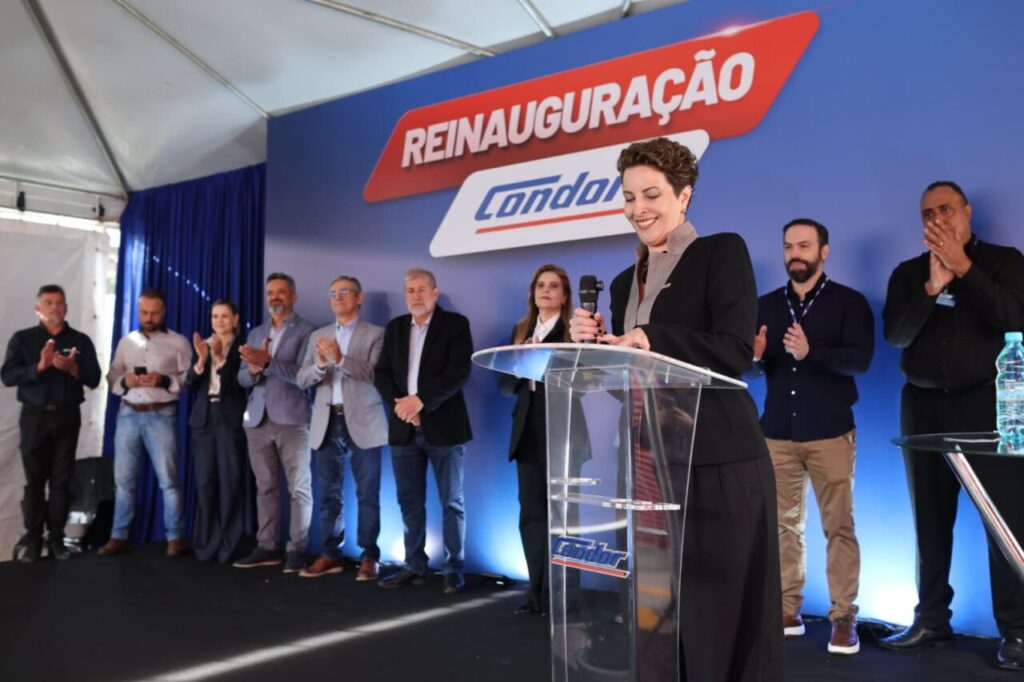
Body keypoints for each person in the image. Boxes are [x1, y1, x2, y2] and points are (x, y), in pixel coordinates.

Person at [569, 137, 783, 681]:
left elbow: (734, 349)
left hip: (717, 460)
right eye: (628, 197)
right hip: (649, 465)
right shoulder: (624, 282)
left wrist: (648, 337)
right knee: (659, 614)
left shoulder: (720, 252)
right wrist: (595, 350)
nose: (638, 208)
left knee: (718, 614)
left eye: (651, 194)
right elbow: (626, 381)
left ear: (683, 197)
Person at [881, 181, 1024, 670]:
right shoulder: (909, 273)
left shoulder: (1005, 262)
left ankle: (1017, 631)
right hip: (922, 407)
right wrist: (931, 288)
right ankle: (931, 620)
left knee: (1003, 521)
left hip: (986, 407)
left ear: (966, 211)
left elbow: (1015, 318)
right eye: (928, 214)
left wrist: (963, 269)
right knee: (930, 520)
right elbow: (897, 335)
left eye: (946, 209)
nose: (937, 219)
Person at [750, 219, 874, 655]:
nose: (795, 254)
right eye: (789, 246)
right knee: (783, 526)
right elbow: (750, 367)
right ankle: (788, 609)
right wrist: (754, 359)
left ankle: (843, 617)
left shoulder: (848, 302)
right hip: (778, 432)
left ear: (824, 251)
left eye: (804, 246)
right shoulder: (766, 305)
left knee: (839, 525)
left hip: (830, 431)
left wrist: (811, 353)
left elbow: (861, 361)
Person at [374, 268, 473, 594]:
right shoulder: (395, 328)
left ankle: (454, 569)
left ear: (435, 292)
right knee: (409, 502)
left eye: (421, 289)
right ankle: (414, 565)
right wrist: (403, 406)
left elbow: (459, 372)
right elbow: (381, 373)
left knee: (452, 502)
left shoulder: (455, 325)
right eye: (410, 290)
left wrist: (421, 402)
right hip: (403, 429)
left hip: (444, 427)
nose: (415, 296)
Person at [296, 276, 387, 581]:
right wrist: (321, 365)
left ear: (359, 298)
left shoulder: (376, 334)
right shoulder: (318, 335)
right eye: (333, 293)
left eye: (344, 292)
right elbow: (301, 379)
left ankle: (369, 556)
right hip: (326, 421)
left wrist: (340, 359)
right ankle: (330, 554)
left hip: (363, 420)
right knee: (328, 493)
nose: (337, 297)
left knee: (368, 493)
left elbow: (376, 374)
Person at [2, 284, 101, 562]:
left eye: (59, 302)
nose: (54, 307)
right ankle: (33, 540)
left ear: (66, 308)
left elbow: (94, 378)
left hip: (67, 416)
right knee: (35, 481)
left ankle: (56, 540)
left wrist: (73, 369)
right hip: (34, 416)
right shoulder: (23, 339)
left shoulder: (80, 340)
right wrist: (39, 368)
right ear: (38, 309)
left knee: (61, 481)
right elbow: (7, 376)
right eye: (49, 302)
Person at [498, 264, 572, 616]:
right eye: (540, 285)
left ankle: (564, 596)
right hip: (527, 432)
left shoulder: (572, 331)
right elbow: (504, 385)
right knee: (531, 515)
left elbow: (580, 382)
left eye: (553, 285)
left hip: (564, 430)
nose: (545, 290)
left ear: (564, 295)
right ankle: (537, 594)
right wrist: (519, 363)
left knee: (563, 516)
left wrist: (540, 363)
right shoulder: (519, 331)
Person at [233, 273, 316, 573]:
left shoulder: (308, 331)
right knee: (265, 487)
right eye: (270, 292)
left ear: (293, 296)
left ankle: (297, 550)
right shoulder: (255, 333)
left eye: (281, 292)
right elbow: (241, 378)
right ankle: (267, 546)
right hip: (256, 419)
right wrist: (254, 370)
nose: (275, 297)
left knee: (299, 488)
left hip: (292, 419)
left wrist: (268, 363)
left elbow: (305, 377)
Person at [100, 288, 192, 557]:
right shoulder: (126, 342)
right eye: (144, 312)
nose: (149, 317)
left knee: (169, 481)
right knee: (123, 481)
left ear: (163, 312)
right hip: (128, 414)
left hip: (162, 414)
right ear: (138, 312)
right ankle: (119, 536)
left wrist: (163, 380)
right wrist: (124, 381)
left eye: (154, 313)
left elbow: (190, 380)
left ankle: (175, 538)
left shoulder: (178, 342)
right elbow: (112, 376)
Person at [181, 299, 248, 563]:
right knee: (205, 482)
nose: (219, 321)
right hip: (204, 418)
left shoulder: (243, 347)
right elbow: (188, 384)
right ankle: (205, 544)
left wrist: (220, 360)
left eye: (224, 316)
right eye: (215, 316)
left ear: (235, 319)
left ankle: (229, 546)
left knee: (230, 482)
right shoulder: (204, 345)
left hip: (230, 417)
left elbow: (241, 384)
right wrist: (201, 362)